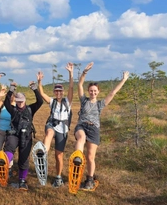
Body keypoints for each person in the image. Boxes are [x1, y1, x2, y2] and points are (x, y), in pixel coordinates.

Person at [74, 62, 129, 190]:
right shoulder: (84, 100)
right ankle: (77, 157)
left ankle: (89, 179)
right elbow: (80, 84)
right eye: (91, 90)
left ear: (98, 92)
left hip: (94, 129)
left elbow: (113, 92)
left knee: (90, 157)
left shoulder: (100, 104)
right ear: (88, 91)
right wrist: (85, 72)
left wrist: (123, 80)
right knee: (81, 138)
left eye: (95, 91)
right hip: (82, 125)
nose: (92, 92)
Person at [37, 62, 74, 188]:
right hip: (52, 124)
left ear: (62, 92)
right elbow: (42, 93)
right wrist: (40, 82)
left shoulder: (67, 102)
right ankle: (43, 153)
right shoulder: (52, 101)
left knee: (59, 155)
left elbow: (71, 88)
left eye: (60, 91)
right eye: (56, 91)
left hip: (62, 129)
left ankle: (58, 177)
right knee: (49, 133)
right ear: (54, 92)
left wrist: (70, 73)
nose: (58, 92)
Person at [3, 81, 43, 191]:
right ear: (15, 101)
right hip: (15, 134)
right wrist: (11, 89)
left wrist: (34, 88)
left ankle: (22, 181)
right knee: (10, 145)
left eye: (22, 101)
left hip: (26, 136)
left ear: (25, 100)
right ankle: (4, 165)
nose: (20, 103)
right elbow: (6, 101)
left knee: (24, 158)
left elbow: (40, 101)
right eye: (18, 101)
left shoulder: (30, 109)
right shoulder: (13, 110)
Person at [0, 89, 14, 176]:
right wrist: (0, 96)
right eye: (10, 95)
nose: (12, 97)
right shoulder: (3, 104)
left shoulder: (16, 106)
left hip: (10, 132)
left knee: (8, 151)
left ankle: (9, 168)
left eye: (13, 96)